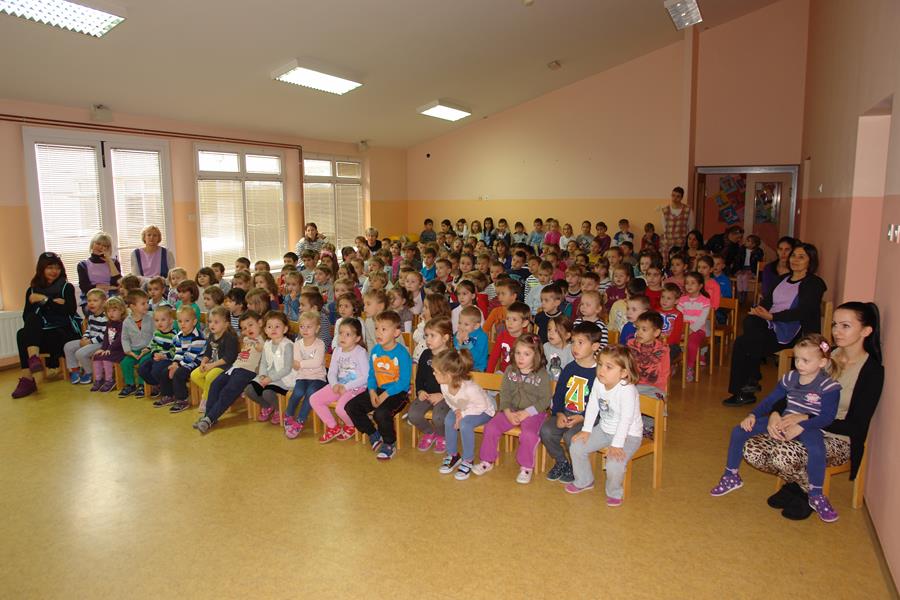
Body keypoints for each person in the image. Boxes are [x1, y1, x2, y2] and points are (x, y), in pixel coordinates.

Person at [743, 302, 883, 520]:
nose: (836, 331)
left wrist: (806, 420)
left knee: (782, 455)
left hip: (837, 436)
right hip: (799, 424)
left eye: (845, 326)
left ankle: (806, 492)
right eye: (835, 324)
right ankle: (797, 482)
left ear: (866, 331)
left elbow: (856, 425)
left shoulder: (872, 371)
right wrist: (775, 414)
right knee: (752, 449)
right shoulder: (824, 355)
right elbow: (790, 391)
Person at [711, 334, 842, 523]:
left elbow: (826, 418)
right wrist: (753, 415)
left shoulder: (829, 386)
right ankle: (731, 476)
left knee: (816, 449)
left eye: (805, 360)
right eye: (797, 359)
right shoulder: (790, 378)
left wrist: (802, 426)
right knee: (739, 430)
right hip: (784, 420)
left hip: (810, 426)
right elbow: (771, 400)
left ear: (822, 362)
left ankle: (816, 494)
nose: (799, 364)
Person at [723, 243, 827, 406]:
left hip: (793, 331)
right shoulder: (782, 279)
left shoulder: (814, 283)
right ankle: (749, 382)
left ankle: (748, 385)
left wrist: (772, 316)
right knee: (749, 325)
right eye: (794, 256)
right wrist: (759, 310)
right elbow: (767, 302)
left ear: (811, 261)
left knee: (744, 343)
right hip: (770, 326)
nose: (795, 260)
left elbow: (803, 312)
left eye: (801, 257)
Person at [565, 345, 644, 507]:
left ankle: (614, 492)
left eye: (609, 367)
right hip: (604, 428)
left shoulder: (627, 391)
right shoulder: (598, 382)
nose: (602, 370)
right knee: (577, 446)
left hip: (628, 435)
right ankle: (584, 481)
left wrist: (617, 445)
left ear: (623, 373)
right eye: (600, 364)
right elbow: (593, 405)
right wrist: (586, 430)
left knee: (614, 463)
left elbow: (626, 420)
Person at [472, 334, 551, 484]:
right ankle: (486, 461)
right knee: (491, 427)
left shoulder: (542, 374)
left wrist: (526, 413)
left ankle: (526, 467)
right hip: (511, 410)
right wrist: (507, 412)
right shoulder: (510, 370)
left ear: (536, 356)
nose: (521, 357)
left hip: (533, 413)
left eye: (526, 354)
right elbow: (505, 394)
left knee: (528, 435)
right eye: (518, 353)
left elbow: (545, 400)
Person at [345, 310, 412, 460]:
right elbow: (372, 375)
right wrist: (372, 392)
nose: (378, 333)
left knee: (380, 413)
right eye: (376, 328)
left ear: (396, 333)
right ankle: (373, 433)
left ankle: (389, 443)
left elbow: (404, 382)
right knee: (351, 407)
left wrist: (385, 395)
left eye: (383, 329)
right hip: (378, 390)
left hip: (398, 393)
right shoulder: (375, 350)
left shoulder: (402, 353)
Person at [12, 252, 81, 398]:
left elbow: (68, 311)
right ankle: (32, 362)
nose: (54, 271)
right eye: (50, 267)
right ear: (41, 269)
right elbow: (26, 316)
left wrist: (44, 300)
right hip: (41, 335)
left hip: (62, 334)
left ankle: (27, 378)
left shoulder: (66, 287)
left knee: (23, 334)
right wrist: (54, 303)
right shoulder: (31, 290)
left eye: (57, 267)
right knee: (28, 325)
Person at [541, 322, 603, 484]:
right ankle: (562, 461)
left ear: (595, 346)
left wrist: (582, 417)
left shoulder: (600, 372)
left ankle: (578, 468)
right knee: (546, 430)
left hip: (588, 418)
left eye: (580, 343)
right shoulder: (569, 368)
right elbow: (559, 394)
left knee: (571, 437)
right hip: (566, 413)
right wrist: (559, 413)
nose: (575, 347)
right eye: (573, 342)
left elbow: (601, 403)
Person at [194, 312, 264, 434]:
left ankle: (209, 418)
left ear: (260, 323)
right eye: (244, 328)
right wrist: (247, 338)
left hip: (247, 372)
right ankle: (208, 416)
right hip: (234, 368)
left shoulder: (263, 340)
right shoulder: (247, 339)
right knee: (215, 384)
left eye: (250, 325)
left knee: (228, 391)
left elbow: (261, 348)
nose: (247, 330)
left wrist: (254, 341)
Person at [435, 348, 497, 480]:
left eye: (436, 372)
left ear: (448, 375)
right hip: (462, 408)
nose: (433, 373)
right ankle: (453, 455)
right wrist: (457, 411)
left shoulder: (470, 388)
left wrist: (462, 414)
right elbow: (449, 400)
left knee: (465, 425)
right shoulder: (444, 385)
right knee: (449, 420)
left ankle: (468, 460)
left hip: (484, 411)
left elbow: (482, 406)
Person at [409, 317, 455, 453]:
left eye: (432, 336)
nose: (428, 339)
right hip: (427, 394)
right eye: (426, 335)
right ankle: (429, 432)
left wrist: (442, 395)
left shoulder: (452, 357)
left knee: (438, 417)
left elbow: (456, 383)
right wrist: (420, 391)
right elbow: (419, 377)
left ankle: (442, 435)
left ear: (445, 337)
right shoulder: (425, 354)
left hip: (446, 396)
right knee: (413, 414)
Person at [283, 311, 328, 439]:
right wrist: (301, 364)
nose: (305, 330)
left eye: (309, 326)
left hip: (318, 378)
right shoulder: (297, 343)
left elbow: (316, 362)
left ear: (317, 328)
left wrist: (301, 364)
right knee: (297, 392)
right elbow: (295, 363)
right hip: (302, 377)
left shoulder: (320, 344)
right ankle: (288, 414)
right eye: (302, 326)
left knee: (311, 393)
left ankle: (300, 421)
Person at [244, 311, 294, 425]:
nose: (273, 329)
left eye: (277, 326)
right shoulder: (267, 344)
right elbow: (263, 363)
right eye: (270, 327)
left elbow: (287, 368)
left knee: (267, 393)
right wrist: (262, 375)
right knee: (249, 390)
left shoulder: (287, 345)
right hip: (268, 375)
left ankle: (280, 410)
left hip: (283, 378)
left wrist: (270, 379)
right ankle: (267, 406)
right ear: (265, 330)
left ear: (285, 329)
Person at [189, 306, 238, 413]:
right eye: (210, 321)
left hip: (226, 367)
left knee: (209, 377)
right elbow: (207, 352)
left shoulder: (230, 337)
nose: (212, 325)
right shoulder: (211, 335)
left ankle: (206, 400)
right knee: (194, 375)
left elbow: (228, 358)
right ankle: (217, 395)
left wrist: (211, 365)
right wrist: (203, 362)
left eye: (216, 322)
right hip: (213, 364)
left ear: (226, 324)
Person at [63, 288, 107, 384]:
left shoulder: (106, 317)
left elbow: (104, 335)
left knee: (80, 353)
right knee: (68, 346)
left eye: (95, 301)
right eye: (89, 301)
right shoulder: (91, 316)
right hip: (89, 341)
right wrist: (84, 338)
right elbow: (88, 330)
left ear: (104, 302)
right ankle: (75, 370)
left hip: (100, 344)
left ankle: (90, 372)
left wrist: (89, 342)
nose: (91, 303)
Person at [118, 289, 153, 398]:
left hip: (149, 350)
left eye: (147, 302)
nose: (147, 305)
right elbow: (124, 338)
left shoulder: (151, 317)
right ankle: (130, 385)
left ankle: (142, 385)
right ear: (133, 306)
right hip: (134, 350)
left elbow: (156, 335)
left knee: (143, 362)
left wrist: (149, 347)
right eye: (143, 303)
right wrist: (128, 351)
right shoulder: (127, 322)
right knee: (125, 362)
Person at [677, 272, 711, 383]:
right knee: (670, 340)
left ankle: (689, 367)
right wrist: (682, 331)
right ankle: (672, 364)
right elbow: (679, 316)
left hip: (698, 330)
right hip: (683, 329)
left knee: (691, 343)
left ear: (700, 286)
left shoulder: (705, 301)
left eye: (693, 283)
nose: (689, 285)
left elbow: (701, 320)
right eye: (687, 283)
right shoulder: (682, 300)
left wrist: (690, 330)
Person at [89, 296, 126, 392]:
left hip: (121, 350)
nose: (111, 313)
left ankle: (110, 380)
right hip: (110, 349)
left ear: (121, 310)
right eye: (108, 311)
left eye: (114, 310)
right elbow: (106, 338)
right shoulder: (109, 323)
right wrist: (103, 348)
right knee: (97, 356)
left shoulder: (123, 324)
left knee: (106, 358)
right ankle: (99, 379)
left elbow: (120, 339)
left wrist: (109, 349)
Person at [77, 232, 122, 308]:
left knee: (114, 308)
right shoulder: (83, 265)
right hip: (92, 296)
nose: (100, 247)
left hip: (112, 296)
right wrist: (108, 287)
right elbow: (84, 287)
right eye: (98, 244)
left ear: (108, 248)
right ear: (92, 244)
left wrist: (109, 261)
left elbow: (118, 284)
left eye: (105, 246)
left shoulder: (114, 262)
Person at [659, 186, 694, 262]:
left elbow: (690, 228)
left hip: (682, 244)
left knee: (680, 262)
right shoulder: (665, 210)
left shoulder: (688, 210)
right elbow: (664, 228)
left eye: (678, 196)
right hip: (668, 244)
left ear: (681, 198)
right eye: (673, 195)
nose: (674, 198)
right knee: (667, 263)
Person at [760, 236, 797, 300]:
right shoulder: (769, 268)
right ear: (777, 251)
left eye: (787, 249)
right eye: (780, 249)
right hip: (771, 301)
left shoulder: (796, 269)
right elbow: (766, 291)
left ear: (793, 251)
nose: (783, 253)